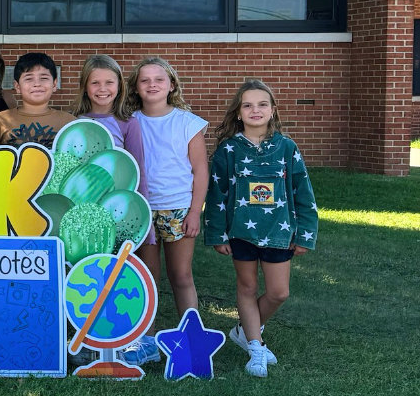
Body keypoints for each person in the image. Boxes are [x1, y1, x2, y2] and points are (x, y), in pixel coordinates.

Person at [203, 79, 316, 378]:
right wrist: (217, 233)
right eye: (248, 104)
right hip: (241, 232)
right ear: (238, 113)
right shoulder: (228, 150)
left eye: (262, 104)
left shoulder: (286, 147)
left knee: (279, 292)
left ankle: (243, 329)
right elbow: (216, 195)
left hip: (279, 233)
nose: (256, 110)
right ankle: (255, 346)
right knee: (248, 288)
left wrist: (305, 233)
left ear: (273, 110)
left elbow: (303, 192)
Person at [128, 56, 209, 320]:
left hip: (179, 209)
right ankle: (145, 338)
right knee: (147, 275)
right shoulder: (130, 122)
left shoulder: (188, 123)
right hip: (143, 208)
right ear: (136, 87)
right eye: (145, 80)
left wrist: (196, 211)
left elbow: (200, 170)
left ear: (171, 85)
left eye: (159, 79)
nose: (152, 85)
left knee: (181, 275)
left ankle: (191, 337)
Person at [71, 53, 146, 172]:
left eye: (109, 82)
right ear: (85, 86)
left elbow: (137, 169)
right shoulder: (72, 121)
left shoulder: (128, 123)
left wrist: (141, 191)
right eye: (95, 83)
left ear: (119, 86)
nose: (102, 89)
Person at [0, 52, 71, 149]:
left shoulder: (69, 122)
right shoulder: (0, 120)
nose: (37, 84)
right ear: (17, 86)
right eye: (29, 79)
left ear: (54, 84)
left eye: (44, 78)